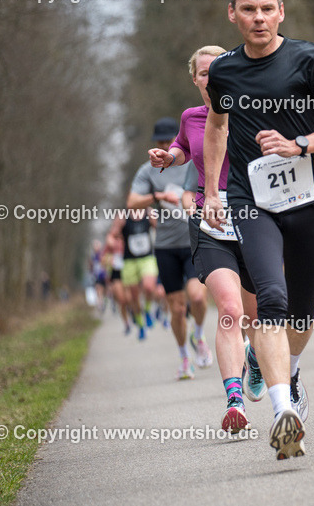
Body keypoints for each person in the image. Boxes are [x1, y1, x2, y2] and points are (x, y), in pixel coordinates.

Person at [203, 0, 314, 459]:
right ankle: (281, 411)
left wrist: (299, 144)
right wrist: (213, 191)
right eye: (248, 9)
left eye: (267, 8)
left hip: (306, 200)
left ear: (281, 12)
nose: (258, 17)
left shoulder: (308, 60)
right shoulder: (223, 71)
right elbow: (216, 127)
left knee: (301, 313)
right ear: (232, 13)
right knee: (270, 297)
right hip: (251, 202)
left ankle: (289, 373)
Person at [150, 44, 260, 433]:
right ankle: (234, 401)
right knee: (229, 310)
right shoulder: (191, 117)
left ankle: (257, 359)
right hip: (209, 220)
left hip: (254, 219)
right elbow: (183, 146)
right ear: (195, 80)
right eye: (203, 72)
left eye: (218, 69)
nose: (211, 77)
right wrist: (170, 157)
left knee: (257, 316)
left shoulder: (255, 109)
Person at [130, 117, 212, 380]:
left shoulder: (193, 162)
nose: (165, 145)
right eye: (161, 141)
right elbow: (132, 202)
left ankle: (198, 335)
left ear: (177, 138)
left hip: (195, 240)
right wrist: (157, 197)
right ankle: (184, 358)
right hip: (165, 246)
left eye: (169, 140)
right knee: (176, 308)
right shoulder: (147, 171)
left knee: (197, 297)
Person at [109, 211, 158, 340]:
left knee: (149, 287)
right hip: (129, 261)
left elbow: (160, 229)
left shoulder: (149, 212)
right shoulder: (123, 216)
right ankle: (140, 324)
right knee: (133, 298)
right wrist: (113, 239)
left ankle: (147, 309)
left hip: (147, 258)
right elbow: (112, 235)